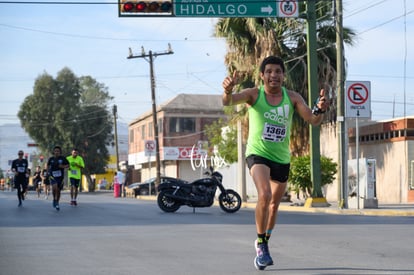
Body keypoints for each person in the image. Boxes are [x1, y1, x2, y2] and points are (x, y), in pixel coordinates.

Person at [222, 56, 329, 270]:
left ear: (283, 75)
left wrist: (321, 108)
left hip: (281, 157)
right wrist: (227, 91)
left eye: (278, 71)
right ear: (262, 76)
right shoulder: (254, 94)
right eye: (269, 71)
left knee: (273, 205)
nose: (274, 75)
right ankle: (261, 245)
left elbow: (312, 120)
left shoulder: (293, 97)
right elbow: (229, 101)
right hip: (257, 154)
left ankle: (264, 240)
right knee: (265, 194)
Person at [47, 146, 69, 211]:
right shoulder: (51, 159)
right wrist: (48, 171)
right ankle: (54, 199)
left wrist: (62, 166)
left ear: (60, 152)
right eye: (55, 151)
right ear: (53, 152)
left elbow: (68, 165)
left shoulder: (63, 158)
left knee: (58, 191)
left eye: (58, 151)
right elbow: (48, 165)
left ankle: (57, 202)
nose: (56, 152)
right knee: (54, 188)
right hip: (52, 175)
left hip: (60, 177)